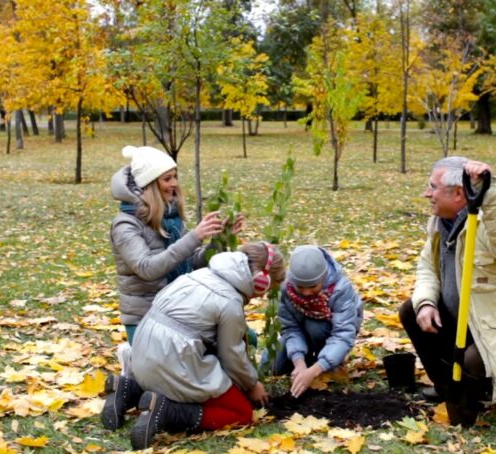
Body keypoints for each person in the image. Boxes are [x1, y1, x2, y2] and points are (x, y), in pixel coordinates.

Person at [398, 157, 496, 426]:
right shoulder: (440, 224)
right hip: (464, 323)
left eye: (432, 187)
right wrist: (426, 304)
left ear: (459, 194)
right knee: (411, 309)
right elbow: (427, 268)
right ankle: (449, 386)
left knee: (473, 359)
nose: (426, 193)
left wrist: (489, 192)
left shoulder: (489, 225)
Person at [102, 145, 242, 430]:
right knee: (186, 377)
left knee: (235, 341)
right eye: (167, 178)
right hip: (145, 318)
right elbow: (147, 267)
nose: (175, 184)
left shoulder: (169, 218)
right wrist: (193, 237)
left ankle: (129, 389)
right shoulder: (125, 225)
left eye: (175, 176)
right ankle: (149, 392)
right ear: (151, 184)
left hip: (178, 314)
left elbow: (190, 263)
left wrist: (218, 242)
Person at [117, 242, 285, 450]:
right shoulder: (229, 301)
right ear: (261, 281)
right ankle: (166, 412)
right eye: (267, 290)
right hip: (171, 360)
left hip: (143, 356)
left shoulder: (199, 274)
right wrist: (252, 385)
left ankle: (127, 389)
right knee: (241, 413)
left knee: (183, 377)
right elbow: (231, 355)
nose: (261, 296)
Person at [267, 245, 363, 398]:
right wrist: (299, 363)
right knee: (273, 366)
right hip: (301, 332)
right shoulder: (285, 288)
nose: (306, 293)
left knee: (315, 327)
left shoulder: (340, 289)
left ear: (323, 277)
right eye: (300, 287)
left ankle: (326, 362)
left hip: (327, 333)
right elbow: (290, 328)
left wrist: (314, 370)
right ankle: (306, 360)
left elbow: (343, 334)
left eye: (312, 286)